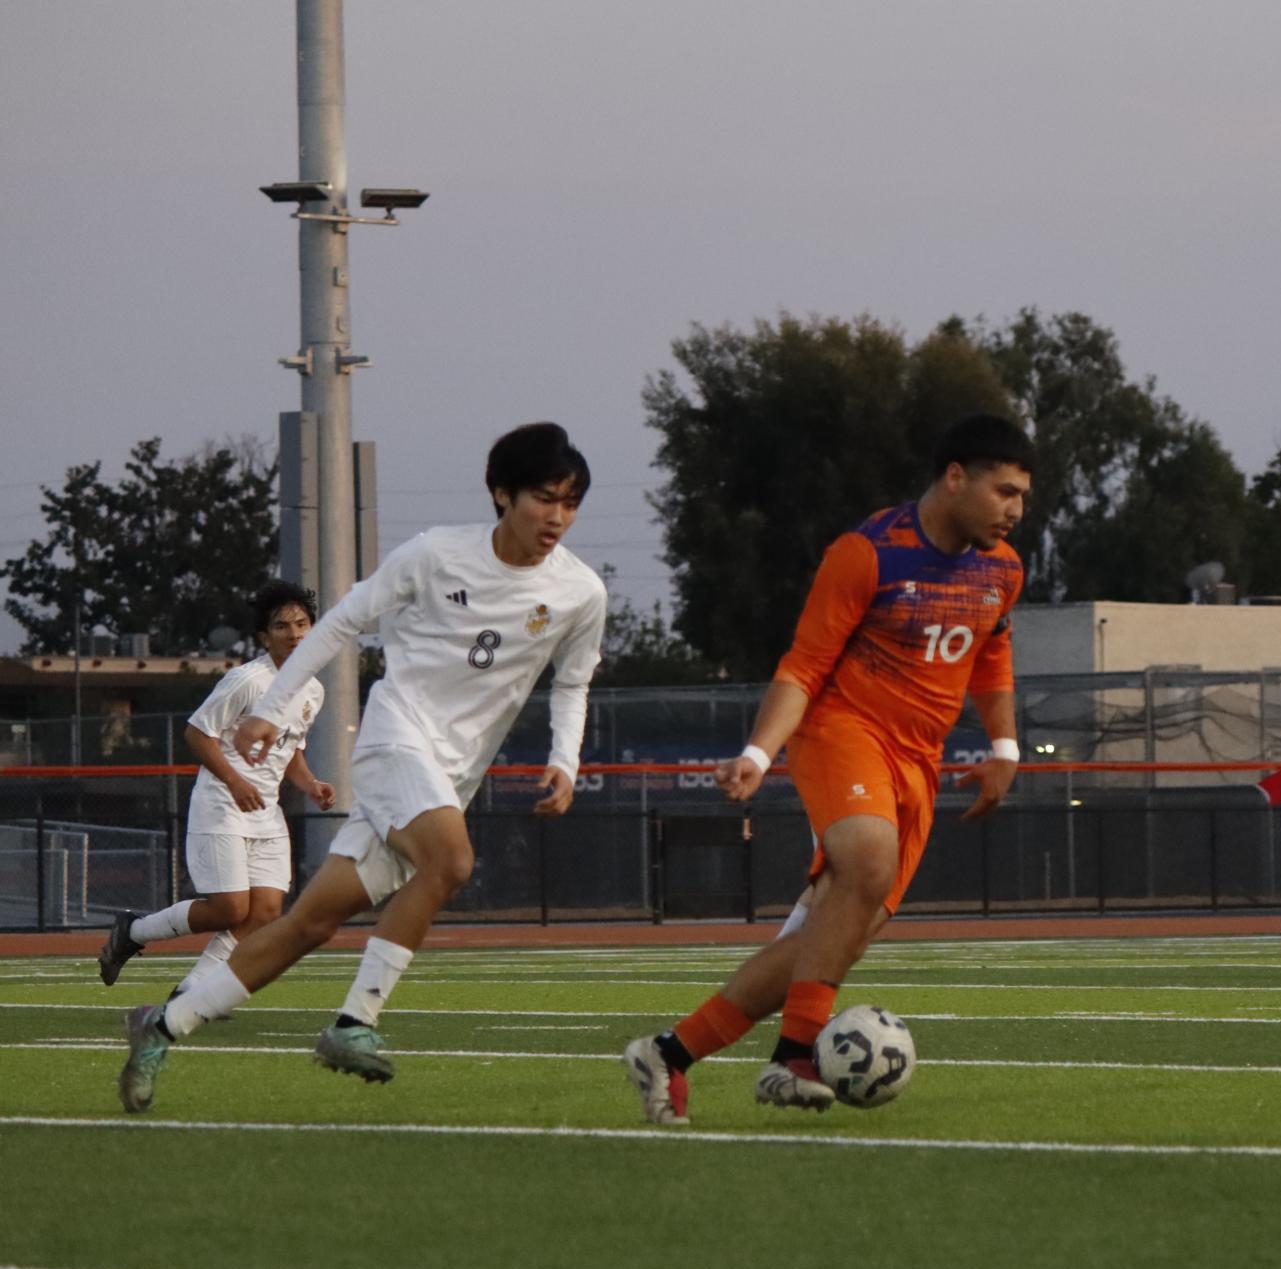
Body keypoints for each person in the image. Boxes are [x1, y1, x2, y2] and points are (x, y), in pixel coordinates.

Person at [116, 422, 607, 1113]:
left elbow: (572, 684)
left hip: (449, 777)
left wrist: (565, 762)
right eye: (542, 497)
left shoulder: (581, 592)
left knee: (307, 924)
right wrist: (269, 710)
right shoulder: (435, 554)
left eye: (570, 501)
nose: (557, 516)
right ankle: (354, 1023)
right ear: (501, 494)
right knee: (452, 862)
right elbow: (340, 623)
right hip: (394, 742)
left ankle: (161, 1025)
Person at [623, 412, 1031, 1123]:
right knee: (865, 862)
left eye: (1023, 495)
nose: (1015, 510)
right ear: (955, 477)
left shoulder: (1003, 569)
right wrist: (758, 751)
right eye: (1004, 491)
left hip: (917, 761)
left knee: (828, 940)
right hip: (843, 732)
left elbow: (991, 654)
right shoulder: (867, 552)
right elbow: (804, 665)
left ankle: (669, 1053)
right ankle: (792, 1059)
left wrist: (1003, 749)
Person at [97, 582, 336, 999]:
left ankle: (188, 993)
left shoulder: (312, 690)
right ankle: (132, 930)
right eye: (282, 626)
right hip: (223, 805)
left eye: (302, 624)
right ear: (264, 637)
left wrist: (312, 784)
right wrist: (235, 780)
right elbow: (196, 734)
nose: (295, 634)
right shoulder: (247, 680)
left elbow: (291, 752)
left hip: (266, 812)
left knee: (264, 912)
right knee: (229, 909)